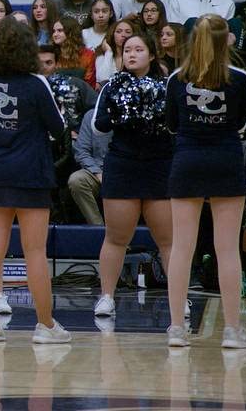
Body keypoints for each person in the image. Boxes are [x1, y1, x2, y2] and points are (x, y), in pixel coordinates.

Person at [0, 17, 71, 344]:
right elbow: (59, 128)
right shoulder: (36, 83)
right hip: (31, 174)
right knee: (34, 251)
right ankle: (45, 326)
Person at [164, 14, 246, 349]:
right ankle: (232, 331)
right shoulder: (240, 78)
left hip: (187, 160)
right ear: (225, 40)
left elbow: (171, 125)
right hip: (226, 160)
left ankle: (176, 329)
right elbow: (243, 121)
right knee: (227, 248)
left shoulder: (176, 78)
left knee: (182, 248)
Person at [91, 34, 174, 318]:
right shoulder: (112, 85)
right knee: (116, 237)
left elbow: (176, 126)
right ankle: (106, 297)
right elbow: (98, 125)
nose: (132, 54)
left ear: (152, 55)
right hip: (123, 166)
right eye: (127, 50)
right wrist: (123, 113)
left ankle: (178, 299)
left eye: (139, 49)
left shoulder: (167, 86)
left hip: (159, 166)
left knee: (168, 239)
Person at [69, 109, 110, 226]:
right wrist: (97, 172)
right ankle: (98, 229)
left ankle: (121, 236)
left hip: (125, 172)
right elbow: (81, 151)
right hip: (97, 169)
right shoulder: (91, 115)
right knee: (77, 180)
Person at [51, 17, 96, 88]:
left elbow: (89, 85)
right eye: (54, 31)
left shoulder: (88, 55)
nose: (55, 34)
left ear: (70, 32)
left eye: (59, 31)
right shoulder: (52, 54)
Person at [94, 19, 135, 85]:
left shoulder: (136, 56)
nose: (123, 35)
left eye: (128, 32)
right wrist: (109, 52)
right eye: (119, 32)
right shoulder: (103, 54)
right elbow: (103, 80)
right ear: (112, 35)